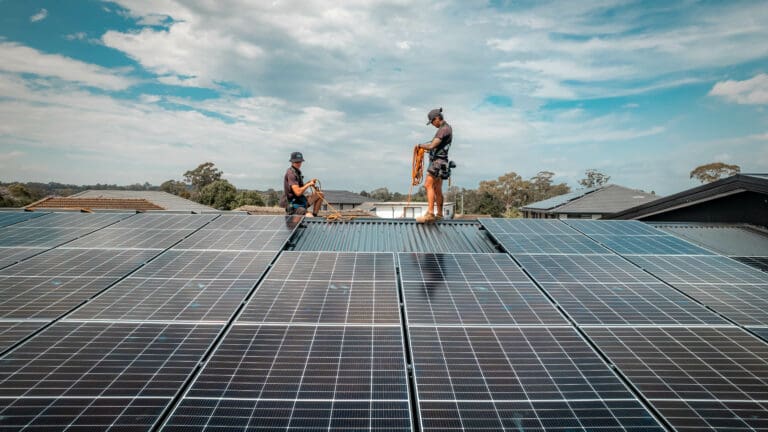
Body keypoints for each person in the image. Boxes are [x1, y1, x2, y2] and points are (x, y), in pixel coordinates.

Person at [416, 107, 452, 223]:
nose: (432, 124)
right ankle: (440, 214)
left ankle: (431, 213)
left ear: (437, 118)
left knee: (428, 185)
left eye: (432, 122)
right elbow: (437, 147)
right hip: (442, 162)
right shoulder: (447, 128)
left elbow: (432, 145)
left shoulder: (443, 129)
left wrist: (420, 146)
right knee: (437, 189)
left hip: (437, 163)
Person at [281, 151, 324, 216]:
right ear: (292, 162)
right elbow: (298, 192)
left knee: (320, 194)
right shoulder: (291, 174)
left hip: (301, 201)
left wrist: (309, 182)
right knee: (309, 217)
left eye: (300, 161)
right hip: (294, 206)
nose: (299, 163)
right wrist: (308, 184)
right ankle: (310, 217)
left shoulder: (297, 171)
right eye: (296, 162)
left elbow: (300, 187)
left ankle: (315, 215)